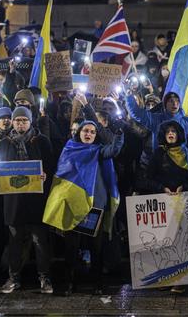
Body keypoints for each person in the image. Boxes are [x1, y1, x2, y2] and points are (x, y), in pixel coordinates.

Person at [43, 119, 124, 296]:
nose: (88, 134)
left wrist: (118, 134)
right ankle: (69, 283)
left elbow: (114, 149)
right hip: (73, 205)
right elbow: (62, 178)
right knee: (72, 247)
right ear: (78, 132)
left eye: (92, 132)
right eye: (85, 131)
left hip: (95, 205)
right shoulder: (69, 149)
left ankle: (97, 283)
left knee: (96, 247)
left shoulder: (99, 151)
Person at [0, 106, 56, 295]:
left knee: (40, 242)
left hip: (37, 200)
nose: (20, 123)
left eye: (24, 120)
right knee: (15, 241)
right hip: (14, 202)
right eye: (17, 120)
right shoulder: (4, 142)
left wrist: (46, 175)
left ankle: (44, 277)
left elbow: (51, 166)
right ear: (12, 122)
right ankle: (14, 278)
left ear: (31, 122)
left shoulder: (42, 141)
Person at [144, 120, 188, 293]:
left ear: (179, 134)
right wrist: (162, 188)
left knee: (182, 242)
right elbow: (146, 177)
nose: (171, 134)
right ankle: (165, 278)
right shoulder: (158, 154)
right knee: (165, 243)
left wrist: (185, 187)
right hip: (164, 204)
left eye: (174, 131)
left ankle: (180, 280)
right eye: (168, 131)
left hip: (184, 203)